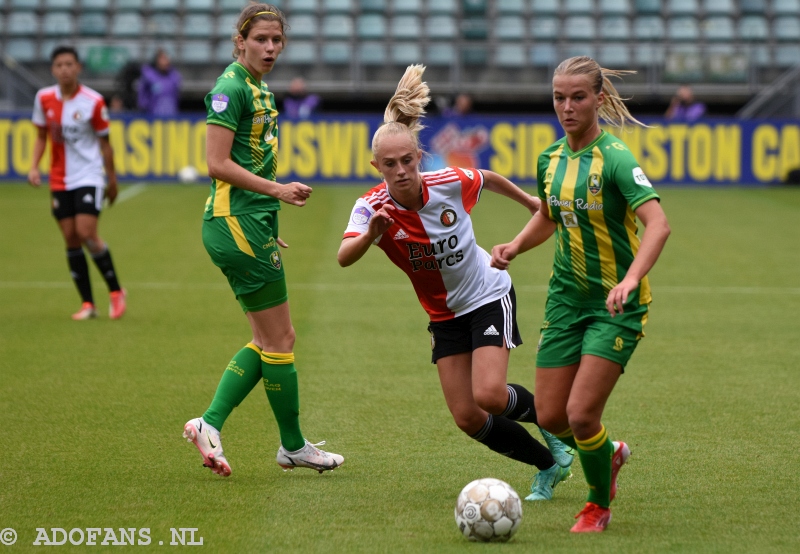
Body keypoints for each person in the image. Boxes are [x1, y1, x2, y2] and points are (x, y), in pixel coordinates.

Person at [337, 64, 575, 501]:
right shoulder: (369, 207)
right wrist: (372, 233)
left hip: (487, 293)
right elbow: (343, 256)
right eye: (389, 165)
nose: (401, 171)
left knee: (489, 394)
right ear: (377, 167)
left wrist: (529, 203)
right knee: (466, 415)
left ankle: (563, 430)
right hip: (443, 315)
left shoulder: (449, 181)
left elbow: (488, 178)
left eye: (407, 161)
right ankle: (547, 466)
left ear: (419, 159)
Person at [491, 56, 671, 532]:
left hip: (616, 305)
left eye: (578, 97)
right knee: (551, 416)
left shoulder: (615, 158)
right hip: (566, 300)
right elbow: (550, 215)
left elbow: (658, 223)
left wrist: (631, 279)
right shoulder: (550, 158)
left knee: (581, 414)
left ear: (599, 99)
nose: (567, 107)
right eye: (558, 97)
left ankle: (597, 505)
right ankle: (606, 453)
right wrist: (515, 244)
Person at [182, 4, 343, 477]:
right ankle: (291, 446)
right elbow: (216, 163)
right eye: (261, 40)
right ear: (241, 41)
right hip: (236, 225)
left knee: (269, 338)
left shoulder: (258, 88)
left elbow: (251, 159)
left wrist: (269, 224)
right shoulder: (230, 88)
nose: (270, 48)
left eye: (277, 41)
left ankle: (210, 424)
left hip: (248, 225)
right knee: (280, 339)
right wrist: (277, 192)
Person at [27, 45, 126, 321]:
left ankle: (116, 292)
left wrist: (112, 180)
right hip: (59, 177)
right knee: (70, 237)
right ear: (52, 69)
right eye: (59, 65)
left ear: (78, 67)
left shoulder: (93, 101)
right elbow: (40, 136)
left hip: (89, 175)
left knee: (85, 232)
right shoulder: (43, 98)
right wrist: (34, 166)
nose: (64, 69)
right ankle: (87, 304)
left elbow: (106, 145)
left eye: (69, 64)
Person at [137, 49, 181, 116]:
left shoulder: (174, 77)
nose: (165, 61)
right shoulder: (149, 76)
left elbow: (176, 97)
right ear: (157, 61)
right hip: (153, 117)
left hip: (171, 117)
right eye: (163, 59)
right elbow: (142, 96)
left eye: (167, 58)